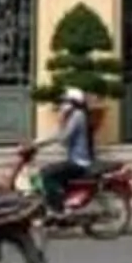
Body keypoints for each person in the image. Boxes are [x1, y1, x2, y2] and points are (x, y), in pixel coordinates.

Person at [28, 87, 99, 216]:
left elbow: (63, 137)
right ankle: (62, 201)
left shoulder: (78, 116)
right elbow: (57, 135)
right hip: (74, 160)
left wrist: (60, 120)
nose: (63, 105)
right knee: (52, 172)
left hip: (79, 162)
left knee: (46, 174)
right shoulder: (74, 116)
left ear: (73, 103)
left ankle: (59, 209)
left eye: (66, 102)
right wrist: (36, 143)